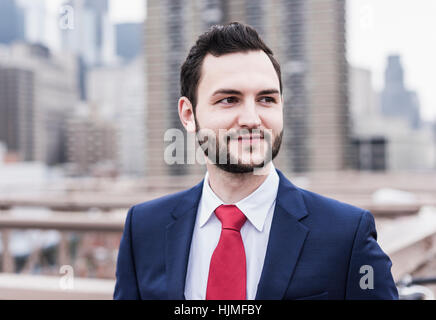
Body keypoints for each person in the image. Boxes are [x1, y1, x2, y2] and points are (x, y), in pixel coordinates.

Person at [114, 22, 398, 300]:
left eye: (266, 99)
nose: (252, 119)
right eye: (229, 100)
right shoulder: (144, 228)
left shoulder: (347, 235)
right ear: (188, 115)